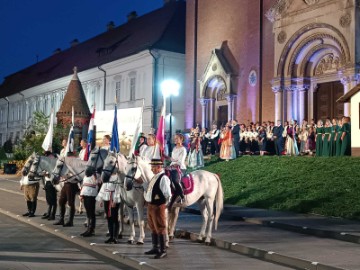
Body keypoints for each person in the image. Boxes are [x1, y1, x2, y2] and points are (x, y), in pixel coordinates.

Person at [143, 158, 171, 259]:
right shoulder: (155, 177)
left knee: (160, 227)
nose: (151, 169)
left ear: (159, 167)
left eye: (153, 167)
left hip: (158, 206)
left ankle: (163, 250)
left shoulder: (163, 178)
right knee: (153, 227)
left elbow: (167, 194)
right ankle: (155, 247)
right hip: (151, 205)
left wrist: (162, 206)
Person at [96, 174, 121, 243]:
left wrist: (115, 201)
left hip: (113, 198)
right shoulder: (106, 176)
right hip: (106, 198)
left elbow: (118, 189)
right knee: (108, 217)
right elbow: (103, 187)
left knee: (114, 217)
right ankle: (111, 236)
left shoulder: (117, 177)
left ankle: (115, 237)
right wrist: (101, 199)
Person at [166, 133, 187, 209]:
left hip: (180, 168)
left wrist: (174, 165)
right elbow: (173, 159)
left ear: (181, 139)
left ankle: (182, 196)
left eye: (177, 138)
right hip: (173, 167)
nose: (175, 139)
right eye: (174, 138)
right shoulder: (174, 148)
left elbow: (181, 160)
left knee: (175, 180)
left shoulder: (183, 149)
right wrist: (170, 164)